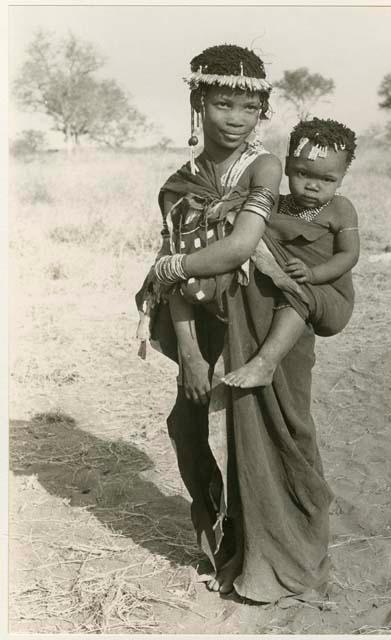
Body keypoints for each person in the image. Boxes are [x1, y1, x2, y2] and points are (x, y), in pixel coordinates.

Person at [136, 44, 333, 603]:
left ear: (262, 113)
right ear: (198, 102)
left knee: (272, 431)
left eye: (249, 109)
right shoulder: (183, 182)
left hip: (265, 316)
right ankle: (221, 538)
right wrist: (192, 354)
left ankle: (285, 552)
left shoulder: (264, 167)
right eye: (223, 104)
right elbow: (176, 281)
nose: (236, 119)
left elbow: (242, 245)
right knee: (187, 426)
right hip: (198, 316)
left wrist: (170, 265)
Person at [223, 117, 359, 388]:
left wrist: (312, 274)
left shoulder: (340, 209)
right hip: (284, 286)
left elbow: (349, 255)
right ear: (286, 166)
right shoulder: (274, 205)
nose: (312, 185)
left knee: (298, 294)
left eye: (327, 179)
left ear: (342, 178)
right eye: (303, 173)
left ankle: (265, 363)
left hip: (326, 292)